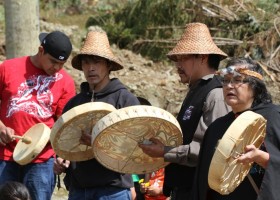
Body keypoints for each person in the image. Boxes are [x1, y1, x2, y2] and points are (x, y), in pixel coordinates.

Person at [138, 22, 231, 200]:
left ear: (202, 57)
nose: (178, 65)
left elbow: (206, 151)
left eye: (183, 58)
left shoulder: (215, 94)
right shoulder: (196, 90)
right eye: (177, 60)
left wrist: (165, 151)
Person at [53, 29, 140, 200]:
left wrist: (98, 142)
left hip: (113, 190)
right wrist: (61, 160)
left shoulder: (125, 100)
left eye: (96, 62)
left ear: (108, 65)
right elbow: (64, 141)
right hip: (78, 190)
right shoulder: (74, 104)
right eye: (86, 62)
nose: (91, 68)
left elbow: (136, 146)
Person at [191, 57, 280, 200]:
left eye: (237, 80)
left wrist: (262, 158)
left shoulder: (275, 117)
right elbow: (203, 181)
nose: (229, 86)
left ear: (255, 86)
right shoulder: (216, 127)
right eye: (226, 80)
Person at [0, 31, 75, 200]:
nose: (56, 68)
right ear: (41, 50)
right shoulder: (7, 68)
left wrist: (62, 154)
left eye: (61, 64)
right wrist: (1, 127)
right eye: (53, 62)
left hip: (42, 160)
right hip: (5, 155)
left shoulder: (66, 82)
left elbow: (64, 125)